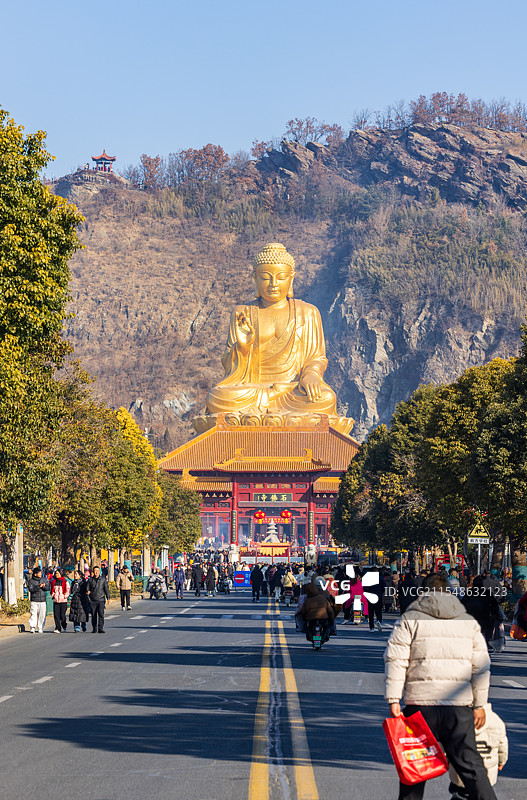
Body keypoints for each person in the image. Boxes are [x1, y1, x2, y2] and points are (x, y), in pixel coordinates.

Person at [384, 572, 496, 800]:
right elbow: (481, 666)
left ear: (422, 592)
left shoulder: (409, 619)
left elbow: (396, 659)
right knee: (472, 768)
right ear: (450, 592)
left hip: (420, 706)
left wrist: (394, 699)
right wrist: (480, 704)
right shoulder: (468, 622)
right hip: (459, 708)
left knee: (414, 770)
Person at [448, 702, 508, 800]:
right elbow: (502, 746)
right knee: (483, 792)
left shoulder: (458, 718)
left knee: (460, 794)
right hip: (487, 771)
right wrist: (501, 761)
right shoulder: (496, 721)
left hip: (461, 771)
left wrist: (447, 761)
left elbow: (449, 744)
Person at [462, 575, 502, 648]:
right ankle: (487, 641)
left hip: (472, 618)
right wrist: (496, 614)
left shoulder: (469, 593)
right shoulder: (487, 592)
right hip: (485, 618)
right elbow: (494, 605)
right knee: (490, 626)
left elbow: (462, 605)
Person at [86, 565, 110, 633]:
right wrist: (89, 595)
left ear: (99, 571)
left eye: (97, 571)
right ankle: (94, 628)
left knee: (101, 614)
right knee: (93, 615)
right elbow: (87, 590)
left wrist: (108, 598)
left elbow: (106, 589)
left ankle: (100, 628)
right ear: (93, 572)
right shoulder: (90, 580)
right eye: (95, 571)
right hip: (93, 600)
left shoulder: (103, 579)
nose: (96, 572)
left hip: (101, 599)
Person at [27, 567, 49, 633]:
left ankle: (40, 627)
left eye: (40, 573)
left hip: (42, 600)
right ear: (35, 574)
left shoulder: (44, 579)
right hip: (34, 600)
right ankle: (32, 627)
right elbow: (31, 590)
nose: (40, 574)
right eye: (39, 573)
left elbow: (48, 587)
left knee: (42, 614)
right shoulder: (31, 581)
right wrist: (38, 586)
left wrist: (43, 586)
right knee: (33, 613)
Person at [50, 569, 70, 633]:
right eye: (56, 573)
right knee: (56, 615)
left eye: (58, 573)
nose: (57, 575)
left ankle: (64, 625)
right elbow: (52, 590)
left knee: (62, 615)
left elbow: (68, 590)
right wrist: (53, 595)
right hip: (56, 601)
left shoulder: (65, 581)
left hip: (63, 601)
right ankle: (58, 627)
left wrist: (65, 596)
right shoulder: (53, 582)